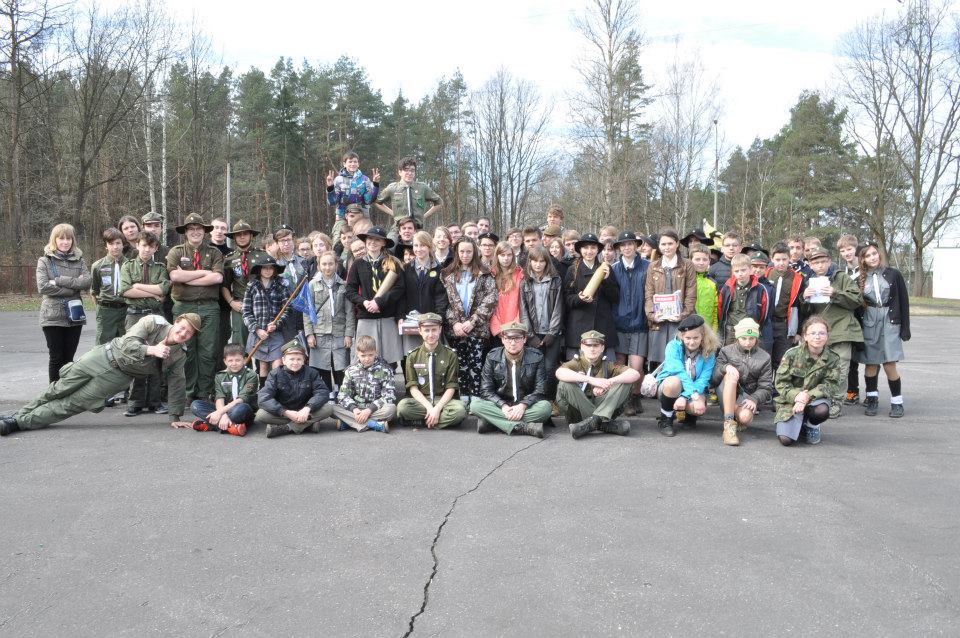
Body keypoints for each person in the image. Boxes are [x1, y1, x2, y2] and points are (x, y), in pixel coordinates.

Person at [1, 314, 200, 436]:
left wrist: (175, 416)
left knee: (71, 404)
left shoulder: (179, 355)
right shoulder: (153, 322)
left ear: (191, 337)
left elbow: (177, 382)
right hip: (102, 357)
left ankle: (18, 423)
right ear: (176, 321)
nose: (183, 333)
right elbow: (127, 343)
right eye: (183, 327)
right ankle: (16, 416)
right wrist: (151, 350)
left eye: (189, 333)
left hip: (119, 377)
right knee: (58, 389)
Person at [166, 213, 224, 401]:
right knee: (186, 351)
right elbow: (174, 276)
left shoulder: (214, 253)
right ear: (186, 232)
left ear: (204, 232)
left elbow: (217, 278)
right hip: (184, 307)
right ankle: (189, 392)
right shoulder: (176, 252)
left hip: (209, 307)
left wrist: (187, 279)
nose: (195, 232)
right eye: (191, 229)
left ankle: (204, 392)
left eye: (199, 228)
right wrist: (204, 273)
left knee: (208, 352)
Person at [800, 246, 863, 418]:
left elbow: (857, 300)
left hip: (842, 329)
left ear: (829, 261)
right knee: (817, 368)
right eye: (816, 263)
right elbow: (806, 312)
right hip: (819, 332)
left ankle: (836, 402)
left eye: (823, 261)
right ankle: (819, 399)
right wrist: (804, 298)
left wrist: (836, 293)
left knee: (840, 368)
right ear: (810, 265)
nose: (820, 265)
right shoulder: (808, 281)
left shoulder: (841, 277)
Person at [119, 230, 171, 416]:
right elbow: (125, 291)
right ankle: (135, 402)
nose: (146, 249)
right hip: (135, 316)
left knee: (157, 358)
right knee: (136, 356)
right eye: (143, 245)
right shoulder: (128, 266)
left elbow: (163, 290)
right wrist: (152, 293)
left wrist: (139, 287)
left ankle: (155, 401)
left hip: (156, 316)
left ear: (156, 248)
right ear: (137, 245)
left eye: (151, 246)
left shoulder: (160, 268)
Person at [470, 321, 552, 437]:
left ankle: (493, 423)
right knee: (475, 405)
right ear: (502, 339)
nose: (513, 343)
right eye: (508, 338)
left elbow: (541, 389)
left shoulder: (536, 357)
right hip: (501, 405)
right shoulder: (492, 357)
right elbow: (486, 390)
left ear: (524, 339)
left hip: (527, 406)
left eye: (517, 338)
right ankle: (523, 427)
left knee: (545, 408)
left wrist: (523, 405)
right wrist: (503, 406)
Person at [857, 242, 910, 418]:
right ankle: (872, 399)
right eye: (868, 255)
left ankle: (897, 402)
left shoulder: (893, 274)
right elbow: (856, 307)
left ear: (879, 254)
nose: (872, 257)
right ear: (863, 260)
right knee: (871, 363)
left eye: (874, 253)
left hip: (890, 320)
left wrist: (905, 328)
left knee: (889, 363)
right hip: (870, 321)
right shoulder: (859, 279)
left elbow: (903, 301)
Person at [442, 238, 498, 404]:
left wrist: (473, 321)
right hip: (457, 328)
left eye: (469, 251)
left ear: (474, 252)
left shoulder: (484, 273)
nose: (465, 255)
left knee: (475, 362)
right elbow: (446, 302)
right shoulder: (448, 274)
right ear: (456, 253)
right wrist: (454, 323)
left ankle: (475, 396)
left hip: (477, 327)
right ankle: (462, 395)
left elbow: (491, 299)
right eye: (462, 251)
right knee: (460, 362)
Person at [556, 330, 640, 439]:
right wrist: (590, 380)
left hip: (600, 405)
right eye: (588, 345)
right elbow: (559, 372)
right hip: (578, 411)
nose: (592, 349)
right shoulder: (575, 363)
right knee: (564, 383)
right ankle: (603, 424)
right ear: (582, 347)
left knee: (625, 383)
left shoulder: (607, 364)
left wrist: (607, 383)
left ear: (602, 348)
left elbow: (635, 374)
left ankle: (593, 422)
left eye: (596, 345)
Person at [773, 316, 841, 446]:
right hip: (790, 401)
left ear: (827, 336)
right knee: (786, 440)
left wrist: (806, 396)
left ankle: (812, 425)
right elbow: (781, 382)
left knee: (821, 411)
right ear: (805, 336)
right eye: (813, 333)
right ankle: (800, 424)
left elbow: (831, 385)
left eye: (822, 333)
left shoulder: (833, 358)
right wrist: (797, 396)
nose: (817, 337)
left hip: (815, 400)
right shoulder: (792, 354)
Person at [37, 223, 92, 383]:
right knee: (56, 357)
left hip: (75, 315)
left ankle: (66, 391)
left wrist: (59, 280)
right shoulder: (45, 261)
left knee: (69, 359)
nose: (65, 242)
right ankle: (54, 392)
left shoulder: (79, 260)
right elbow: (43, 287)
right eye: (61, 238)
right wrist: (73, 288)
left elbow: (86, 282)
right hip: (52, 316)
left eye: (69, 238)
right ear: (54, 240)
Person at [344, 226, 406, 366]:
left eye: (377, 240)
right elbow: (350, 290)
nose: (373, 242)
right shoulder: (358, 264)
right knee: (366, 359)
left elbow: (399, 288)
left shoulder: (393, 262)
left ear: (383, 243)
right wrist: (364, 302)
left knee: (389, 361)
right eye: (370, 238)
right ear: (365, 241)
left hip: (388, 318)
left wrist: (379, 302)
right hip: (366, 318)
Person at [711, 318, 774, 446]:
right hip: (726, 392)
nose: (747, 342)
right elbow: (713, 379)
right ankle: (729, 424)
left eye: (751, 338)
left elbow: (766, 387)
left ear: (756, 338)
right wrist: (725, 368)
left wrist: (754, 399)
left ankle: (737, 415)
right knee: (730, 375)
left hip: (747, 397)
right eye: (744, 338)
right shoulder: (726, 351)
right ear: (737, 337)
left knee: (745, 418)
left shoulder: (765, 357)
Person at [396, 313, 466, 429]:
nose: (430, 334)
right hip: (422, 401)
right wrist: (429, 407)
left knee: (460, 411)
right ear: (420, 331)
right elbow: (413, 388)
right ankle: (438, 420)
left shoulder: (450, 355)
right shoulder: (412, 356)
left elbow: (451, 387)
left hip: (443, 400)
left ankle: (422, 422)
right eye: (426, 330)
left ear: (440, 330)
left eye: (434, 330)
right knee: (402, 408)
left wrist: (437, 409)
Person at [654, 314, 718, 437]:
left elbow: (703, 379)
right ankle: (666, 419)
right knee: (674, 382)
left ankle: (688, 415)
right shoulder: (672, 346)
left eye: (696, 338)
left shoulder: (709, 352)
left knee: (698, 408)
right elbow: (679, 373)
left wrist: (684, 396)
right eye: (688, 338)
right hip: (670, 389)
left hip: (694, 389)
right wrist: (691, 394)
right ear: (682, 336)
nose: (691, 342)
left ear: (703, 336)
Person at [257, 339, 334, 438]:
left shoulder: (312, 373)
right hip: (284, 411)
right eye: (292, 359)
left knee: (328, 408)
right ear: (284, 360)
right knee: (261, 414)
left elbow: (322, 392)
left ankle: (287, 427)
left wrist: (308, 408)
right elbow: (264, 397)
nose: (295, 362)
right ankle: (308, 424)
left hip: (305, 411)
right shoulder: (275, 374)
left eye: (299, 359)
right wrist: (285, 412)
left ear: (303, 360)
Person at [175, 344, 257, 436]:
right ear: (225, 361)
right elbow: (219, 398)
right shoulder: (220, 376)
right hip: (223, 409)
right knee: (195, 405)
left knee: (241, 409)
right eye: (230, 360)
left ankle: (211, 425)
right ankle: (232, 427)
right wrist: (223, 415)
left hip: (242, 411)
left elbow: (241, 399)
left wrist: (219, 413)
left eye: (237, 360)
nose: (234, 363)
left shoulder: (251, 375)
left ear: (244, 359)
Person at [645, 229, 698, 370]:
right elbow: (649, 294)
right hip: (659, 322)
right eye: (663, 244)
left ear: (677, 244)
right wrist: (652, 315)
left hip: (680, 321)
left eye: (670, 243)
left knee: (680, 359)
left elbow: (691, 294)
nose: (667, 247)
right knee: (659, 362)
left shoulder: (687, 265)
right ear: (659, 246)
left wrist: (683, 315)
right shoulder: (652, 266)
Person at [563, 233, 620, 360]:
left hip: (602, 326)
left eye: (593, 248)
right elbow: (566, 299)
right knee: (578, 368)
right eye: (585, 248)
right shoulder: (572, 270)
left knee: (605, 368)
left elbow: (615, 297)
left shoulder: (606, 268)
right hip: (578, 328)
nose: (589, 251)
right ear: (580, 249)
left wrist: (606, 280)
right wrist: (579, 299)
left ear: (598, 250)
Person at [518, 246, 563, 404]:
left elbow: (558, 307)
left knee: (550, 367)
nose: (538, 264)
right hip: (533, 334)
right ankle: (534, 399)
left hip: (551, 333)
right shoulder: (525, 282)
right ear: (529, 262)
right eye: (534, 261)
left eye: (542, 261)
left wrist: (552, 333)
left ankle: (550, 400)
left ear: (547, 262)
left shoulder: (555, 280)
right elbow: (523, 310)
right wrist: (530, 335)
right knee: (534, 367)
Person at [611, 231, 649, 416]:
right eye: (623, 244)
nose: (627, 247)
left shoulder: (647, 267)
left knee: (636, 366)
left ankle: (635, 395)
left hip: (640, 323)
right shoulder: (613, 269)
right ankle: (623, 398)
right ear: (619, 248)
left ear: (636, 246)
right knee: (619, 364)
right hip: (619, 323)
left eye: (630, 244)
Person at [304, 252, 354, 390]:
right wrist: (309, 334)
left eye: (331, 264)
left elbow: (349, 312)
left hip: (339, 332)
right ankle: (328, 393)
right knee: (323, 366)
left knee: (340, 365)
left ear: (336, 265)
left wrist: (349, 334)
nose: (327, 267)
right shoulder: (312, 285)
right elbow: (307, 312)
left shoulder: (343, 285)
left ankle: (340, 392)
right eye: (324, 264)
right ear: (319, 266)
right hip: (320, 332)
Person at [332, 335, 396, 432]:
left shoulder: (385, 370)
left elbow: (389, 396)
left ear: (376, 352)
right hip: (356, 409)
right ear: (357, 353)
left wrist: (369, 410)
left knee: (391, 409)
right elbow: (343, 395)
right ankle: (373, 424)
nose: (367, 359)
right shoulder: (351, 370)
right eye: (363, 355)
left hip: (375, 409)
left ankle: (349, 422)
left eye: (370, 355)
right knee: (332, 408)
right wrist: (354, 409)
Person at [243, 255, 290, 384]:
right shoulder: (252, 285)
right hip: (258, 334)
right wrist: (257, 329)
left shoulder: (281, 285)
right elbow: (245, 311)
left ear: (274, 270)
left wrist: (277, 324)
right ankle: (263, 391)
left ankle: (276, 390)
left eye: (271, 268)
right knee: (263, 366)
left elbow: (287, 308)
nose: (268, 271)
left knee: (277, 364)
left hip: (275, 333)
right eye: (265, 268)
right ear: (260, 269)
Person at [222, 220, 268, 351]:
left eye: (245, 234)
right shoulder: (229, 260)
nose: (242, 237)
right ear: (234, 237)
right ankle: (243, 365)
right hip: (240, 306)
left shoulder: (263, 256)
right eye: (238, 234)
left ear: (251, 236)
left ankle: (260, 366)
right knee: (240, 345)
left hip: (261, 305)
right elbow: (224, 285)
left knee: (262, 344)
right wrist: (231, 302)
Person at [399, 231, 448, 353]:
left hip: (431, 323)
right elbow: (401, 295)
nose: (418, 249)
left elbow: (441, 297)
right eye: (416, 245)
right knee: (412, 356)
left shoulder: (439, 270)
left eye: (422, 245)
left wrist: (438, 318)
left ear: (429, 246)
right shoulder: (405, 269)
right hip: (410, 322)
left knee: (431, 356)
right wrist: (400, 316)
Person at [717, 254, 773, 351]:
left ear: (750, 270)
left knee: (749, 356)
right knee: (730, 356)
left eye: (743, 270)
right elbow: (720, 309)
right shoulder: (727, 287)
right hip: (731, 331)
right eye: (737, 271)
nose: (740, 274)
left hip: (750, 332)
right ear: (732, 271)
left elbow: (764, 313)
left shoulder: (760, 289)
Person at [375, 156, 441, 238]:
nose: (409, 173)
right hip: (398, 228)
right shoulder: (392, 188)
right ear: (400, 172)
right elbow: (377, 202)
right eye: (406, 170)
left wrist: (424, 216)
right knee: (390, 243)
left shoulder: (422, 188)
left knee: (425, 243)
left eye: (412, 170)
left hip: (417, 229)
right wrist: (392, 213)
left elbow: (439, 202)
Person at [764, 242, 804, 371]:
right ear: (771, 259)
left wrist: (798, 331)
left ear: (789, 258)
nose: (781, 263)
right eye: (777, 260)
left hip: (784, 324)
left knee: (782, 360)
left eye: (784, 259)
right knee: (765, 358)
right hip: (767, 323)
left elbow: (800, 307)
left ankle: (779, 383)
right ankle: (766, 383)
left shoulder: (798, 279)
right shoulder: (766, 275)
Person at [327, 150, 380, 243]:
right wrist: (330, 187)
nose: (353, 164)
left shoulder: (365, 180)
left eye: (355, 162)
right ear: (344, 164)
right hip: (342, 215)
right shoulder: (338, 180)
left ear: (358, 164)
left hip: (362, 216)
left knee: (364, 241)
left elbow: (368, 200)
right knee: (338, 241)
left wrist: (375, 184)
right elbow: (332, 202)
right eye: (350, 162)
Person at [90, 227, 128, 348]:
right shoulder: (97, 266)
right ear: (106, 246)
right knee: (102, 346)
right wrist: (100, 308)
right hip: (105, 311)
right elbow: (94, 291)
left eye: (118, 243)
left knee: (125, 344)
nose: (115, 247)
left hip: (126, 310)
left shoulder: (130, 265)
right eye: (111, 244)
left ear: (123, 244)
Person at [837, 234, 862, 405]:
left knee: (866, 358)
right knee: (849, 359)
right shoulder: (842, 273)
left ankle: (871, 393)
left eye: (849, 249)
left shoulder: (865, 270)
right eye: (843, 251)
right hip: (847, 317)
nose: (847, 253)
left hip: (864, 316)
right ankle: (852, 391)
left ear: (856, 249)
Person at [490, 241, 524, 345]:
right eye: (502, 255)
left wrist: (514, 326)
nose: (506, 258)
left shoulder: (520, 274)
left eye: (509, 255)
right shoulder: (491, 275)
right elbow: (489, 304)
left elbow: (522, 303)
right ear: (497, 256)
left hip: (515, 327)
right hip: (496, 327)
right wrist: (497, 328)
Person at [689, 244, 719, 333]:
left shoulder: (712, 283)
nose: (701, 263)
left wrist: (714, 329)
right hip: (688, 329)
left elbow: (715, 309)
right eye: (697, 259)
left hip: (707, 329)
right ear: (690, 260)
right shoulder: (686, 280)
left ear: (709, 261)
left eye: (705, 259)